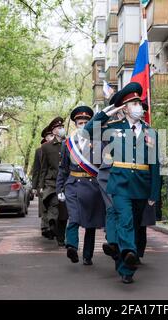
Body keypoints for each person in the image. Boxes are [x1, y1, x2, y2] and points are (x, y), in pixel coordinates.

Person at [84, 82, 161, 284]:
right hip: (119, 184)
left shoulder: (150, 132)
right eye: (134, 103)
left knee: (134, 224)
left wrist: (154, 193)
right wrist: (107, 112)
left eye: (140, 103)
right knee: (125, 220)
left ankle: (125, 267)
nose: (139, 107)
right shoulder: (113, 128)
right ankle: (128, 253)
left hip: (141, 185)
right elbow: (88, 131)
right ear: (124, 108)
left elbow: (155, 164)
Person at [56, 106, 106, 265]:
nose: (83, 125)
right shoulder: (68, 144)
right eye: (80, 122)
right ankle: (71, 246)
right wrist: (59, 188)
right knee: (74, 218)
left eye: (86, 122)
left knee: (90, 223)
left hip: (92, 186)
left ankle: (87, 255)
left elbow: (103, 166)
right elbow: (63, 168)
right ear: (75, 124)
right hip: (73, 185)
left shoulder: (98, 142)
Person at [39, 117, 68, 246]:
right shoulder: (46, 147)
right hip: (51, 183)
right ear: (53, 131)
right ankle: (51, 223)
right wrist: (40, 185)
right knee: (54, 205)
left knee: (64, 213)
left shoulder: (69, 144)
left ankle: (61, 238)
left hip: (66, 183)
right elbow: (43, 168)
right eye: (58, 128)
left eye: (62, 127)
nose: (61, 129)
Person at [31, 129, 49, 237]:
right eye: (48, 135)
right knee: (43, 205)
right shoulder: (39, 151)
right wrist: (34, 186)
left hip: (53, 181)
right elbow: (36, 169)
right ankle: (44, 226)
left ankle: (53, 226)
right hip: (42, 183)